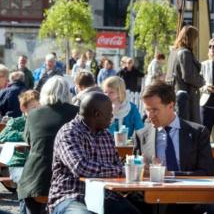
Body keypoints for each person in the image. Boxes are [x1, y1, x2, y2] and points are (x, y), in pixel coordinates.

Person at [48, 92, 141, 214]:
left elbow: (117, 166)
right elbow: (81, 167)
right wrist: (121, 171)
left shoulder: (106, 135)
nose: (112, 116)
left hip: (104, 196)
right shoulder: (69, 132)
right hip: (71, 196)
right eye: (109, 113)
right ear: (97, 114)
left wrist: (123, 172)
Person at [17, 76, 79, 214]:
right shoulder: (78, 113)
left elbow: (28, 140)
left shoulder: (33, 115)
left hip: (35, 178)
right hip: (67, 181)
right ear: (67, 93)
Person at [135, 81, 214, 176]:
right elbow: (134, 175)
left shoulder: (198, 133)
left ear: (171, 106)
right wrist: (139, 171)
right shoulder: (141, 135)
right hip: (154, 190)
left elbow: (208, 172)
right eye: (147, 110)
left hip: (189, 190)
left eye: (154, 110)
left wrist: (171, 174)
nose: (149, 115)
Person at [0, 90, 40, 214]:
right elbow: (2, 137)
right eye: (34, 107)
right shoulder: (17, 122)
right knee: (26, 186)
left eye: (39, 107)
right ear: (24, 108)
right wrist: (24, 135)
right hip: (19, 162)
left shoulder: (41, 122)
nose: (37, 110)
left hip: (35, 163)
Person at [166, 25, 204, 123]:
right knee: (188, 128)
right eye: (195, 38)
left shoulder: (174, 53)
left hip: (176, 95)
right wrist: (202, 81)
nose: (196, 42)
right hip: (186, 98)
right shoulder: (185, 53)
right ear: (191, 38)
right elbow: (188, 76)